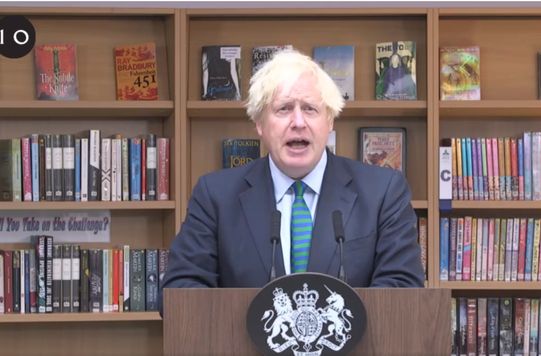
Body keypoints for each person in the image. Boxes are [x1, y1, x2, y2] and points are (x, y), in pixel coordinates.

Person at [160, 50, 424, 307]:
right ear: (259, 123)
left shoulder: (383, 191)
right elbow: (180, 292)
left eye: (310, 109)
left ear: (329, 120)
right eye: (284, 109)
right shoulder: (215, 196)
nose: (298, 122)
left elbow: (403, 289)